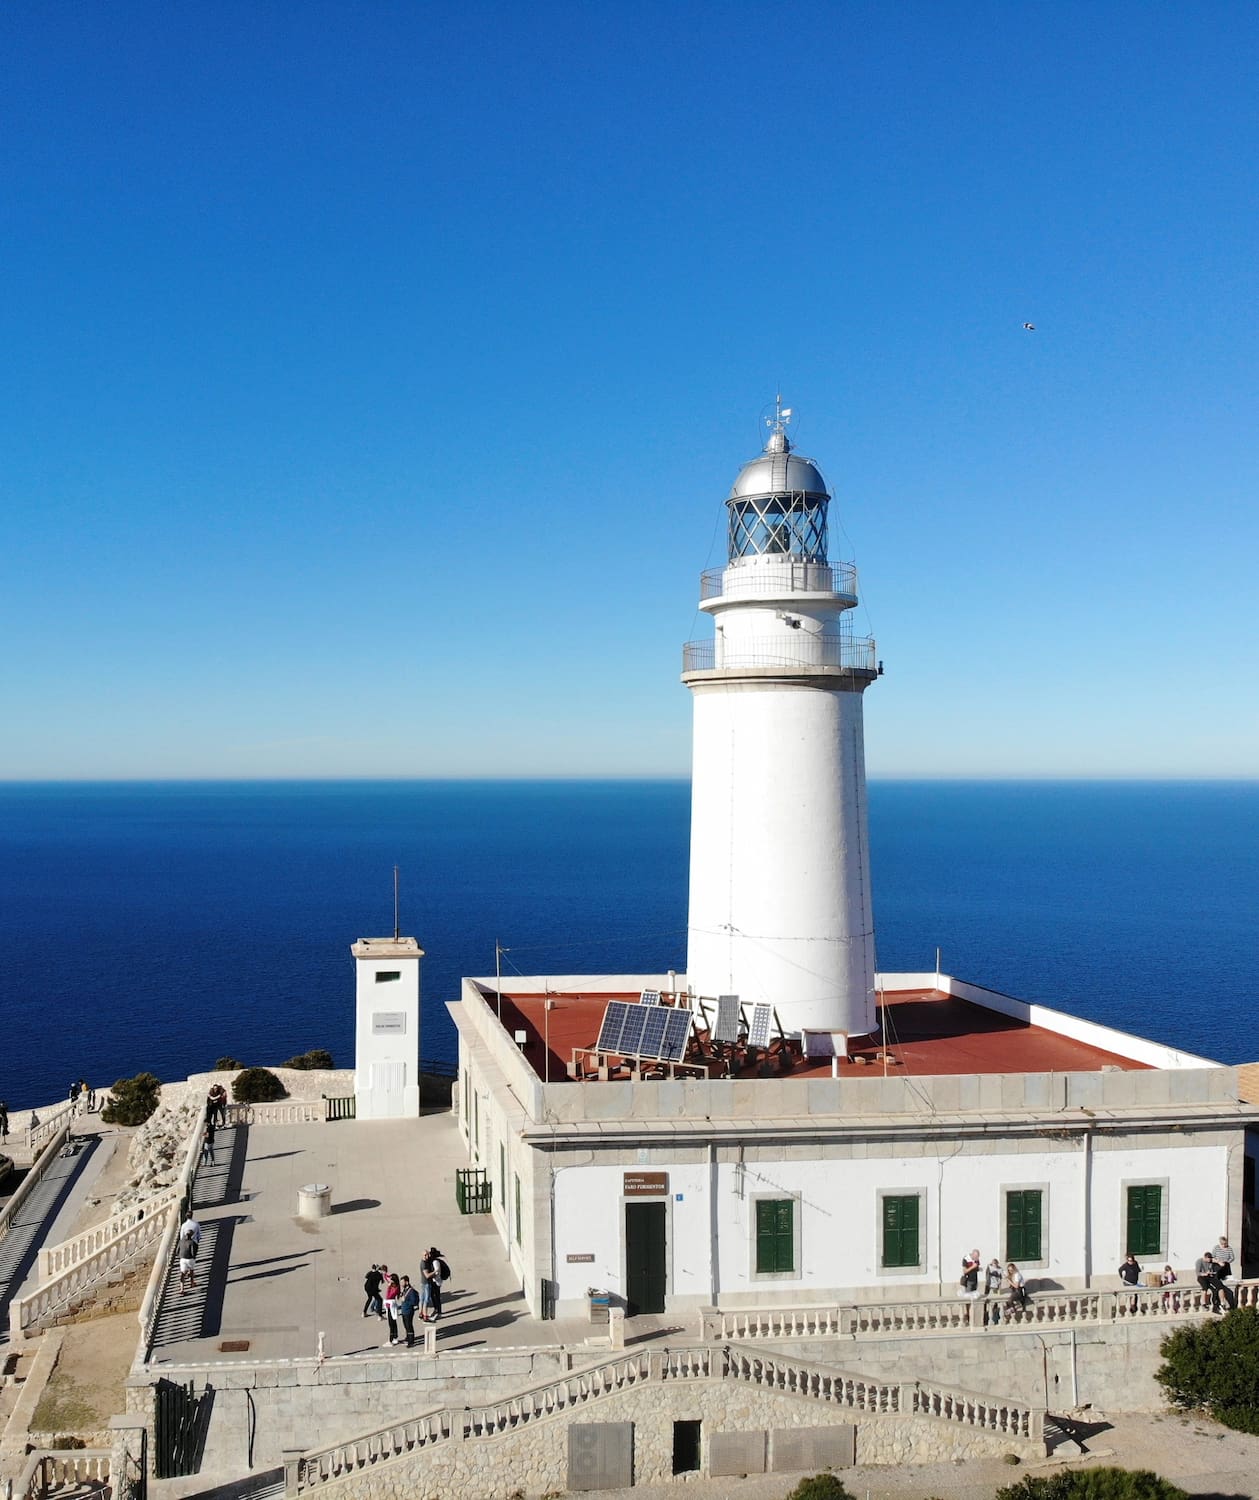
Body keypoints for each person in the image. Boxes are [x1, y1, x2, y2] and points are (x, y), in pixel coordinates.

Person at [422, 1247, 446, 1322]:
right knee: (433, 1296)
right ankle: (436, 1310)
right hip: (434, 1281)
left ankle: (439, 1312)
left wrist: (431, 1275)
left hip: (436, 1282)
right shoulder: (433, 1261)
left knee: (437, 1297)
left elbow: (437, 1272)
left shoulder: (435, 1262)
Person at [397, 1275, 421, 1346]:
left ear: (407, 1282)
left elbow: (414, 1302)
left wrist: (406, 1300)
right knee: (405, 1325)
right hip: (404, 1311)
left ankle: (411, 1341)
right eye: (400, 1282)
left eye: (402, 1282)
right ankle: (408, 1338)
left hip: (409, 1311)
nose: (401, 1284)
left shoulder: (411, 1291)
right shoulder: (405, 1290)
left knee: (409, 1325)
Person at [383, 1270, 401, 1344]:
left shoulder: (395, 1287)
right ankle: (394, 1336)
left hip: (392, 1306)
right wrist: (384, 1273)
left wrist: (388, 1287)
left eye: (391, 1279)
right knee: (390, 1322)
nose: (389, 1280)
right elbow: (386, 1277)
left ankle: (393, 1337)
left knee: (392, 1322)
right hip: (388, 1306)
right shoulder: (392, 1284)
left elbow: (388, 1296)